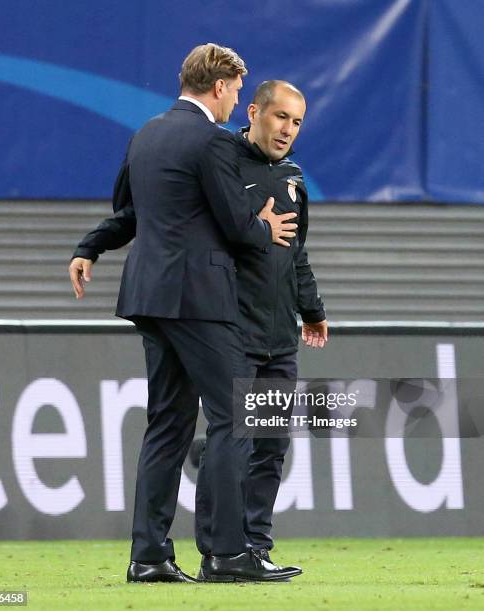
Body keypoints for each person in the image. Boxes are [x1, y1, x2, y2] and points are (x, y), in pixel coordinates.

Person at [69, 44, 300, 583]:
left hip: (149, 296)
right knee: (234, 419)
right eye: (237, 92)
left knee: (167, 427)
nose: (235, 101)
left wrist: (89, 247)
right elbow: (240, 228)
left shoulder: (146, 134)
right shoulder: (212, 142)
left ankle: (148, 556)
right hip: (199, 298)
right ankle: (225, 553)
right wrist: (264, 225)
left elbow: (131, 213)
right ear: (220, 87)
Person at [194, 81, 328, 578]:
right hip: (234, 331)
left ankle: (255, 546)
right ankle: (218, 550)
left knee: (270, 444)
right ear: (254, 112)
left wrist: (311, 309)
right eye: (280, 117)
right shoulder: (224, 162)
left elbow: (297, 254)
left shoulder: (294, 177)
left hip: (279, 337)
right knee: (234, 439)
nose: (287, 130)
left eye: (296, 122)